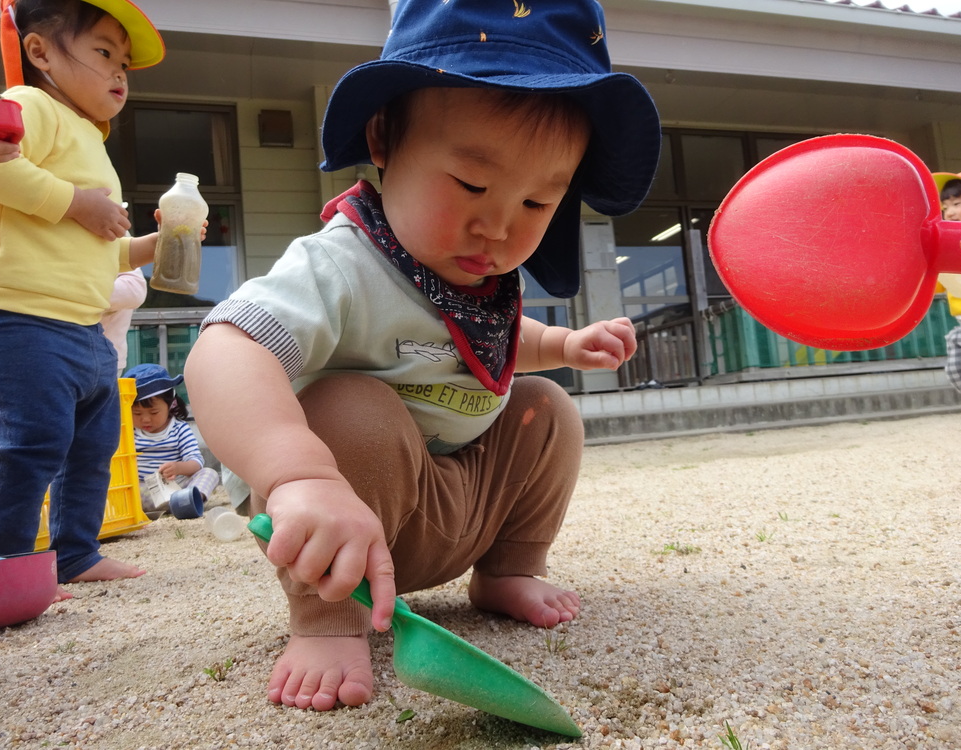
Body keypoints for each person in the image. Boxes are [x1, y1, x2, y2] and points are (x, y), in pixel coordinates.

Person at [184, 0, 660, 712]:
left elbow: (481, 349)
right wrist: (297, 475)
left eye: (536, 203)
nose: (498, 225)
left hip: (453, 503)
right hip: (338, 517)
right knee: (354, 407)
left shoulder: (475, 278)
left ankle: (508, 570)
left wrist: (562, 346)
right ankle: (326, 619)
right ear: (383, 137)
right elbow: (225, 347)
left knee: (545, 409)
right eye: (471, 184)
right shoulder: (342, 267)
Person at [0, 0, 169, 600]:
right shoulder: (32, 105)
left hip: (81, 323)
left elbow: (100, 253)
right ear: (41, 53)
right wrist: (79, 202)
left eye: (125, 64)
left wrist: (154, 244)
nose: (118, 74)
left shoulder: (90, 138)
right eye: (104, 52)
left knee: (94, 444)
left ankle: (75, 553)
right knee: (31, 444)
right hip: (15, 316)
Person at [123, 363, 219, 517]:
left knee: (209, 473)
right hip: (144, 489)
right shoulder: (128, 433)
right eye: (137, 413)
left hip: (177, 487)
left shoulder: (179, 429)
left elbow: (196, 463)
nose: (145, 419)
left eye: (154, 412)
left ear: (170, 404)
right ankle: (178, 505)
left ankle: (188, 501)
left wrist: (178, 467)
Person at [934, 171, 961, 394]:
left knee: (957, 341)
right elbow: (933, 284)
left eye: (957, 203)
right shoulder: (949, 245)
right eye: (945, 208)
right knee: (958, 372)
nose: (951, 213)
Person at [103, 269, 148, 375]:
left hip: (103, 359)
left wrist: (83, 291)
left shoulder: (117, 255)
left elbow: (134, 290)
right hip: (62, 351)